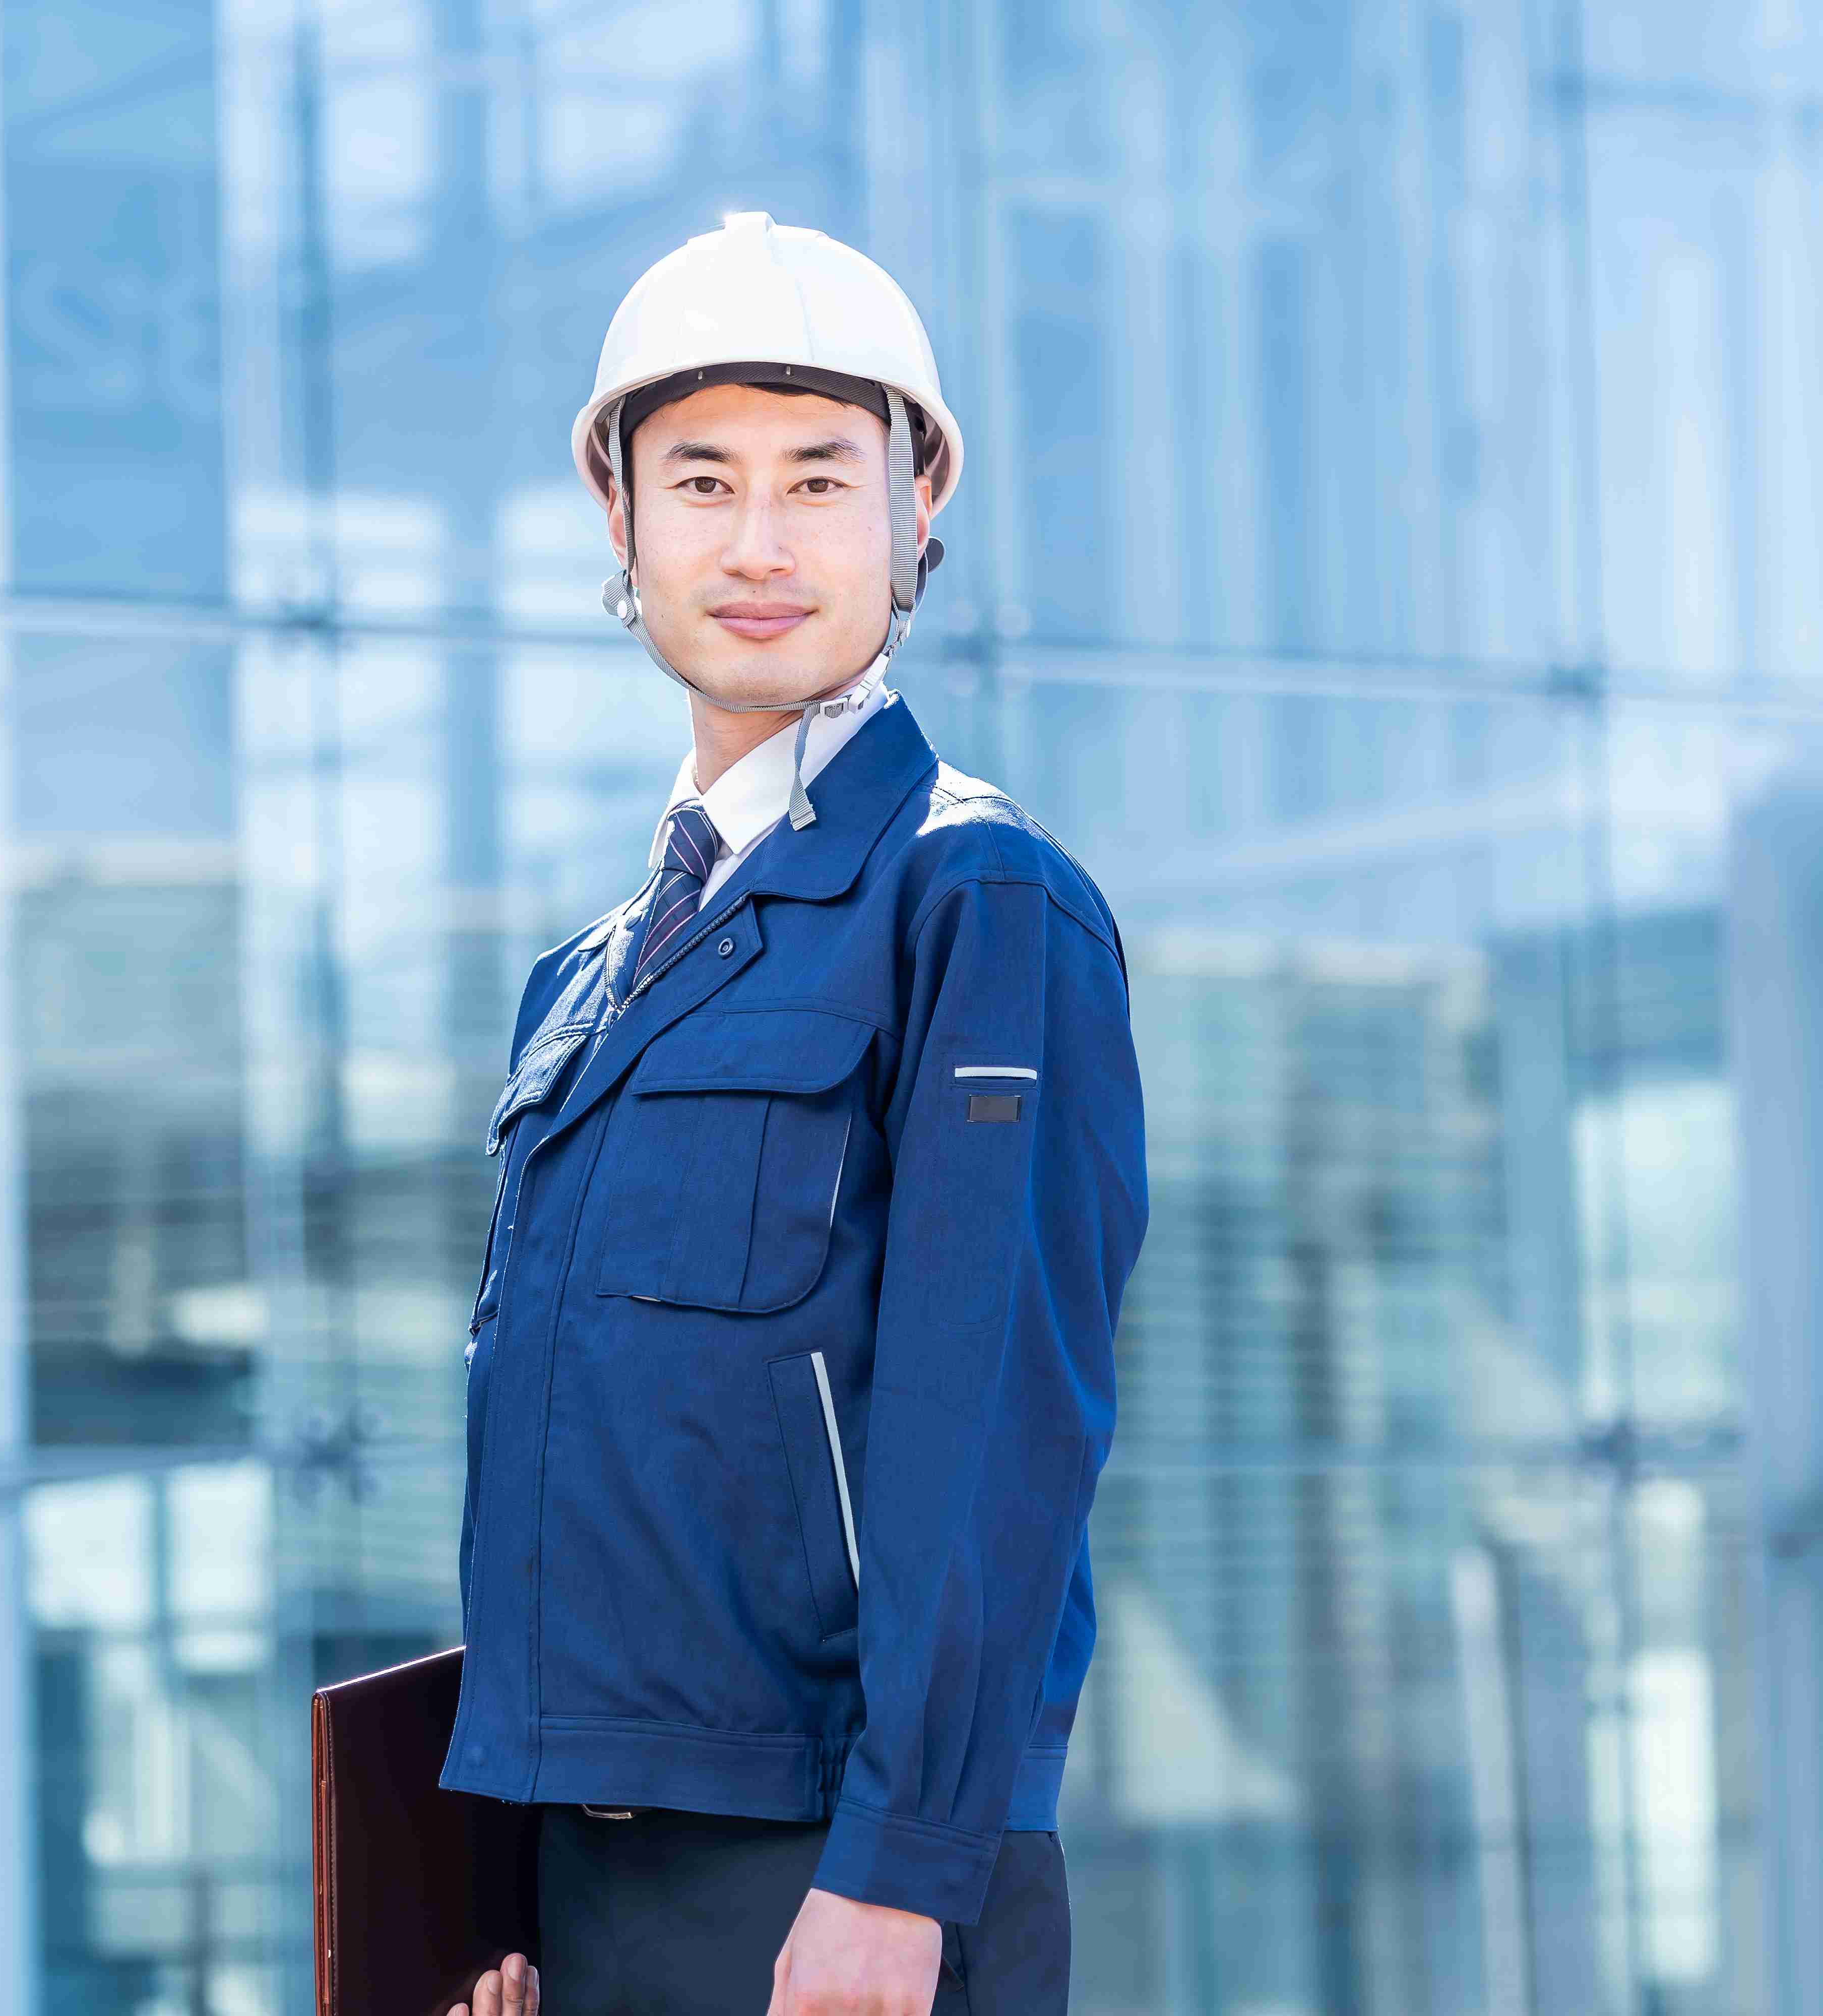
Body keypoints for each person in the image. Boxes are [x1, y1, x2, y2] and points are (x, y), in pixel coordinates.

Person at [434, 212, 1150, 2016]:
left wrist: (901, 1881)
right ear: (620, 521)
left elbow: (998, 1432)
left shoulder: (977, 903)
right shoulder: (584, 983)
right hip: (589, 1870)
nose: (758, 545)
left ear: (917, 514)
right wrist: (504, 1894)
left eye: (822, 480)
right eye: (702, 482)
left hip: (832, 1878)